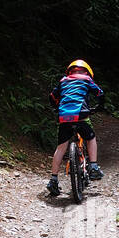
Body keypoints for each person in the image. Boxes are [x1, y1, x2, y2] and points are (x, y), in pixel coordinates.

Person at [46, 59, 104, 196]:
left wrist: (57, 108)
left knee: (61, 147)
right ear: (87, 72)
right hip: (82, 115)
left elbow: (52, 96)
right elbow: (100, 93)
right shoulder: (86, 79)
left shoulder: (63, 80)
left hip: (64, 117)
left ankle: (53, 180)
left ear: (70, 71)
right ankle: (94, 166)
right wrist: (100, 106)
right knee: (91, 138)